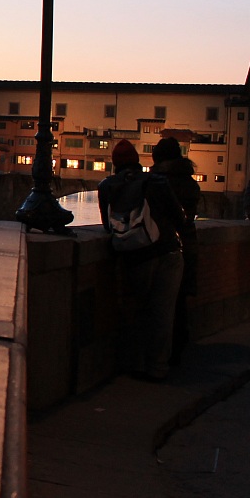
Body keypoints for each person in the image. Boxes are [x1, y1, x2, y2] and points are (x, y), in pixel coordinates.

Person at [98, 139, 187, 380]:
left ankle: (134, 364)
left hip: (135, 255)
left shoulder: (107, 186)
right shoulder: (157, 181)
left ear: (115, 164)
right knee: (163, 313)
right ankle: (158, 368)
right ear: (137, 160)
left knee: (135, 310)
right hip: (168, 251)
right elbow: (180, 218)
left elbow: (109, 225)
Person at [151, 137, 201, 363]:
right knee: (180, 301)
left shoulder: (160, 181)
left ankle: (165, 355)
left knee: (163, 303)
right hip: (188, 244)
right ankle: (180, 348)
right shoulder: (190, 182)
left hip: (167, 246)